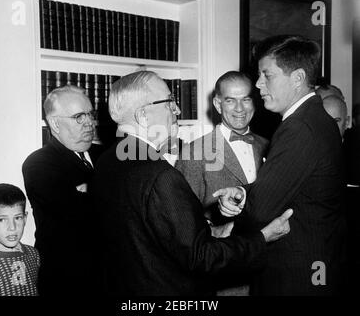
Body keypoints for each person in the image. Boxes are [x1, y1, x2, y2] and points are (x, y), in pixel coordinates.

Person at [91, 70, 293, 296]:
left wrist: (223, 230)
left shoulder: (106, 161)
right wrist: (263, 238)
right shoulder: (160, 175)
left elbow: (158, 236)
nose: (177, 109)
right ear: (143, 116)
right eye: (169, 102)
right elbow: (201, 258)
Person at [214, 35, 348, 295]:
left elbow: (260, 210)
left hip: (296, 274)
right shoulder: (317, 117)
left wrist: (227, 230)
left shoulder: (299, 127)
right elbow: (291, 186)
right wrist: (243, 193)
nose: (258, 84)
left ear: (297, 78)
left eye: (267, 75)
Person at [175, 71, 268, 295]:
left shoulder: (270, 146)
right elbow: (182, 224)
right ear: (217, 104)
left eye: (246, 99)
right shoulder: (194, 152)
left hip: (268, 270)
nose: (239, 108)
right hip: (225, 276)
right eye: (230, 100)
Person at [22, 85, 104, 296]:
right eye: (79, 116)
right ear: (55, 124)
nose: (89, 123)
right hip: (68, 281)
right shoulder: (38, 164)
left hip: (111, 276)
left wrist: (91, 190)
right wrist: (106, 189)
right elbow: (80, 215)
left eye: (90, 114)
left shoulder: (105, 154)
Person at [0, 184, 39, 296]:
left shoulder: (33, 254)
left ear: (25, 218)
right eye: (2, 219)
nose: (12, 227)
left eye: (17, 218)